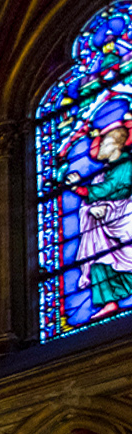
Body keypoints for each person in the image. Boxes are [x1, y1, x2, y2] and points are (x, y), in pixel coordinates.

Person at [67, 121, 132, 321]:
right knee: (97, 257)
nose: (98, 148)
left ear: (115, 145)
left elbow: (111, 188)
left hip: (124, 219)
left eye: (102, 144)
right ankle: (109, 303)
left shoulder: (126, 164)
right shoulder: (105, 170)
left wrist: (81, 189)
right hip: (106, 222)